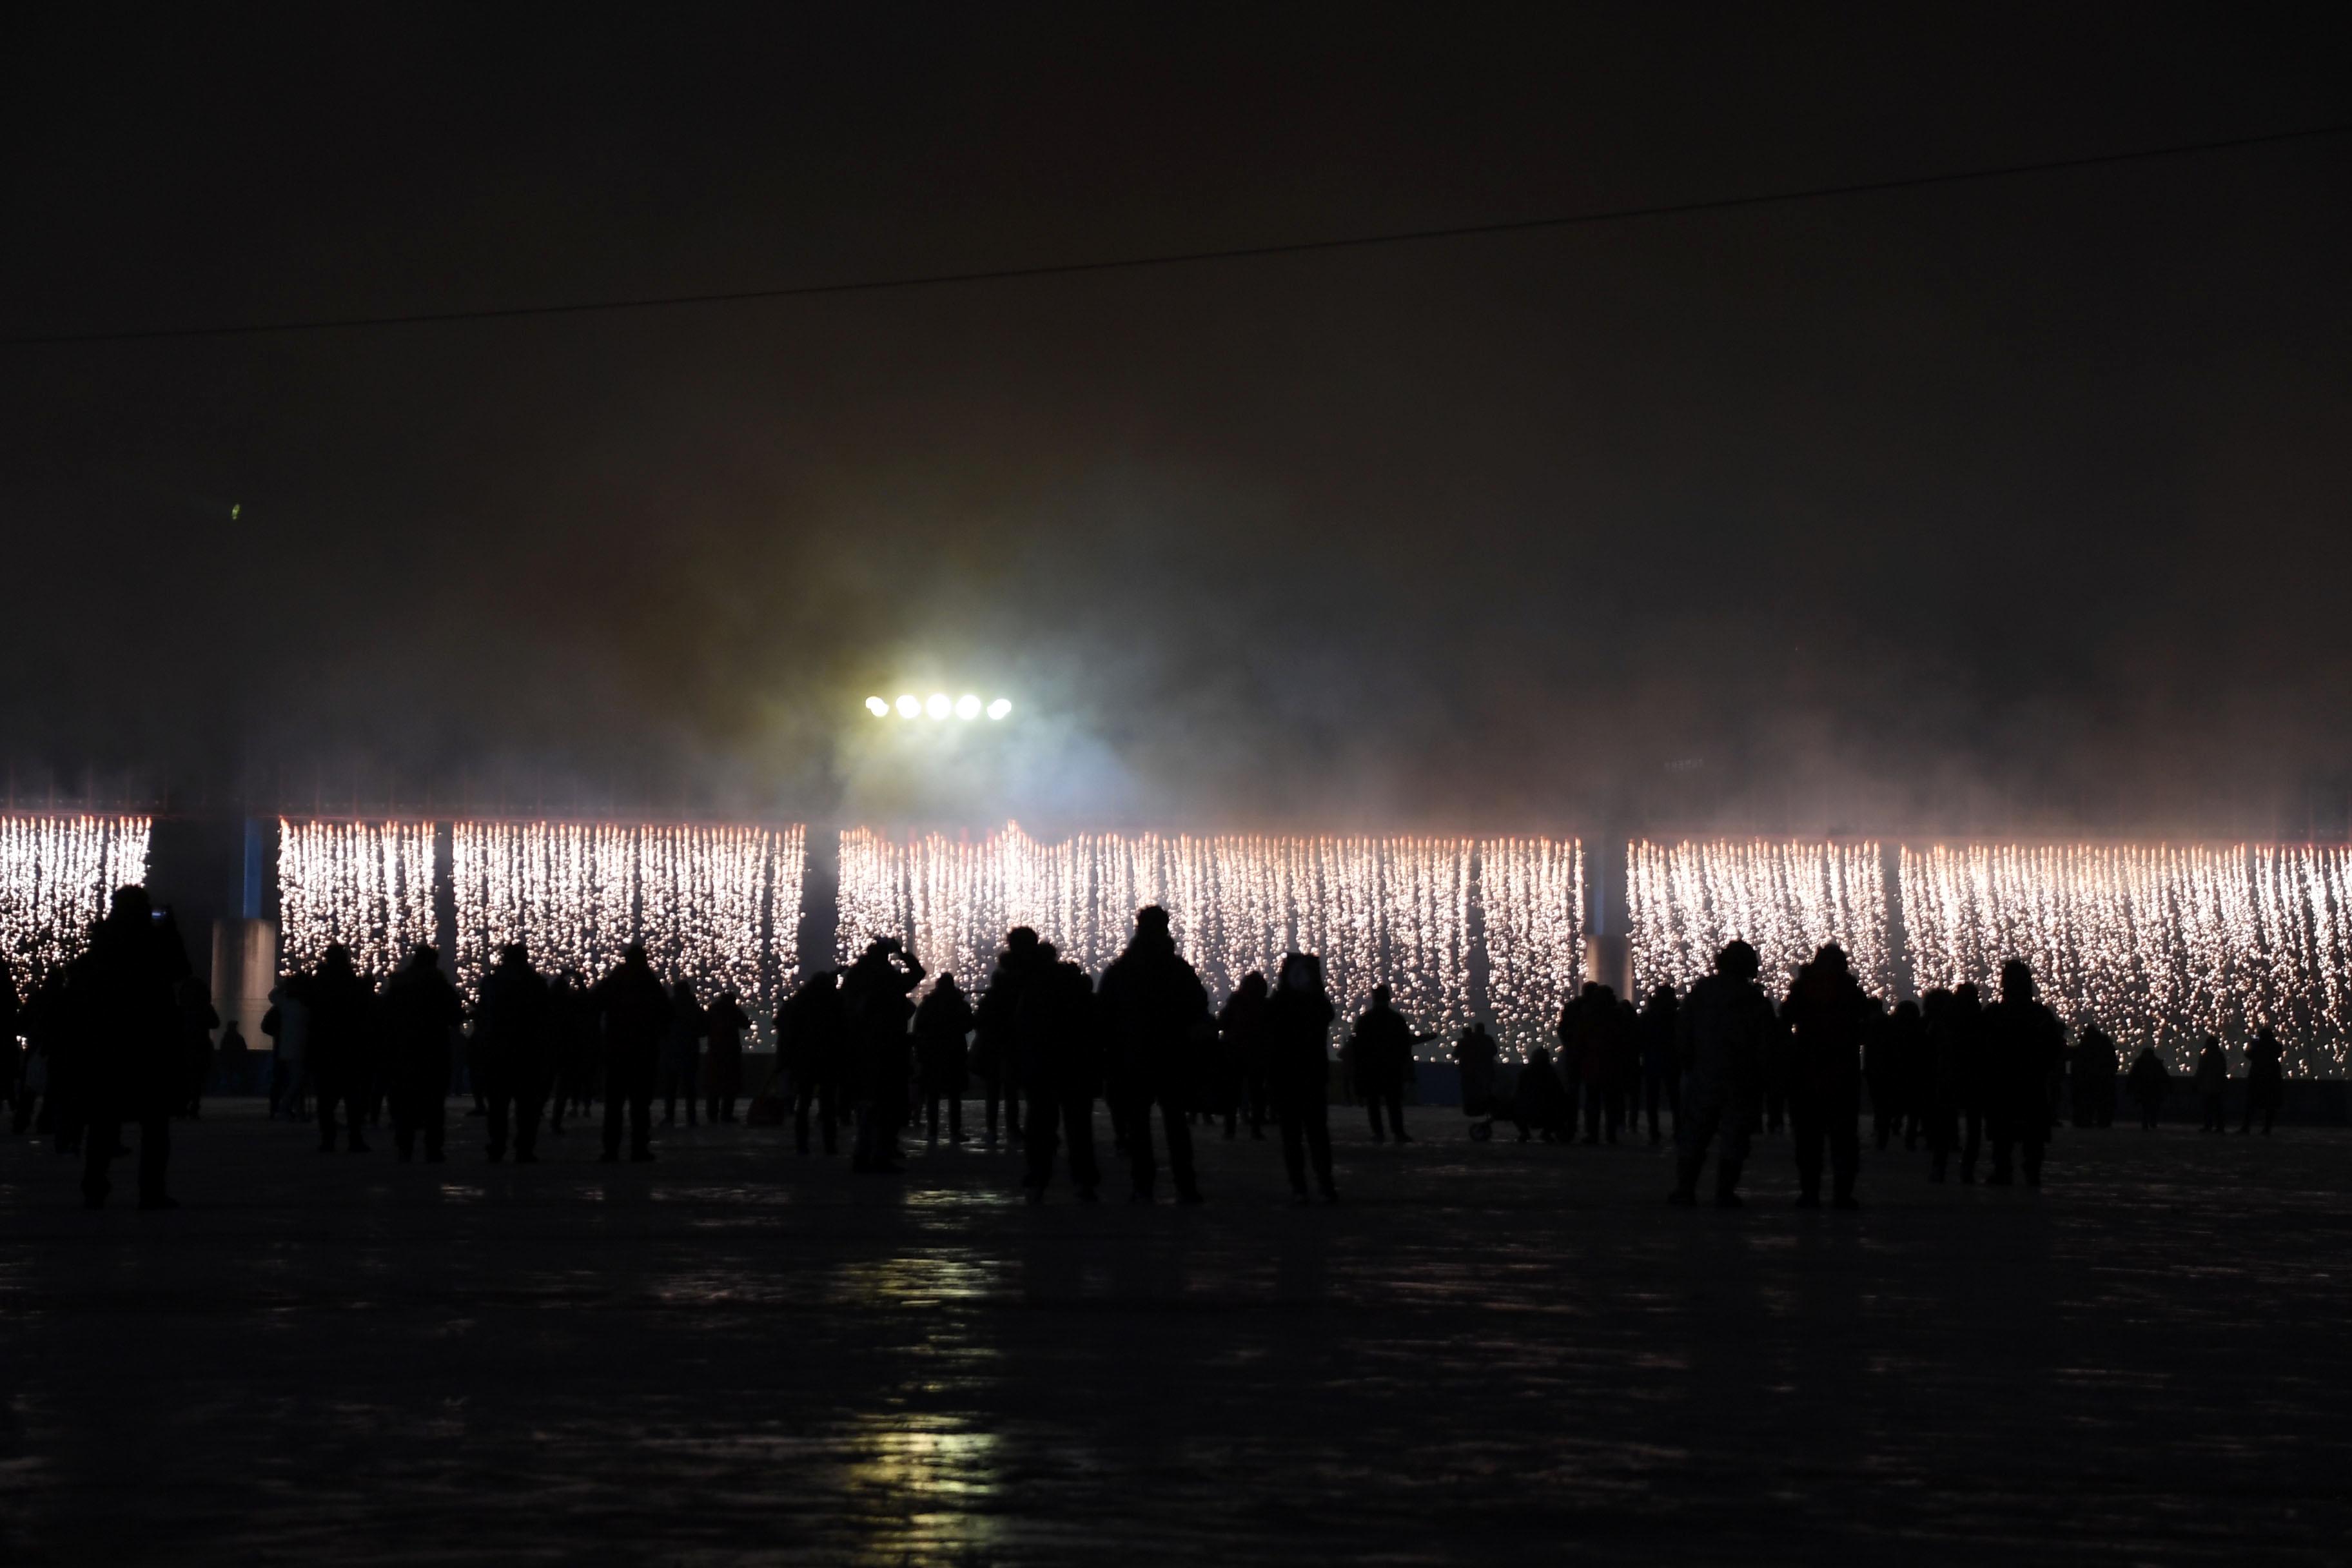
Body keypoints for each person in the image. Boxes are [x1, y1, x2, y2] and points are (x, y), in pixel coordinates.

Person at [78, 887, 189, 1210]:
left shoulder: (104, 941)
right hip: (150, 1043)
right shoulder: (154, 941)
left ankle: (94, 1185)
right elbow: (181, 970)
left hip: (110, 1044)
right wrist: (171, 931)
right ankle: (151, 1190)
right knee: (155, 1125)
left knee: (103, 1122)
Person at [1098, 906, 1210, 1204]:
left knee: (1139, 1125)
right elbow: (1198, 1006)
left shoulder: (1122, 970)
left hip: (1134, 1056)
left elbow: (1105, 1014)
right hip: (1172, 1056)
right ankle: (1185, 1185)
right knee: (1176, 1124)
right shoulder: (1177, 970)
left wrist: (1112, 1052)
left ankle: (1143, 1185)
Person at [1670, 940, 1776, 1208]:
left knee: (1695, 1135)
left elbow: (1683, 1031)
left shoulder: (1703, 992)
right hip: (1741, 1078)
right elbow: (1766, 1043)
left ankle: (1686, 1189)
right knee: (1734, 1137)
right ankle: (1724, 1192)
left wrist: (1688, 1062)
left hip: (1705, 1073)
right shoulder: (1753, 1000)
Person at [1779, 945, 1872, 1209]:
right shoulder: (1849, 989)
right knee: (1843, 1137)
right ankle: (1841, 1194)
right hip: (1841, 1070)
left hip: (1807, 1069)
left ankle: (1811, 1192)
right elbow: (1864, 1023)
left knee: (1809, 1137)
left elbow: (1786, 1018)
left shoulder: (1804, 987)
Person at [1018, 943, 1102, 1201]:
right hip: (1076, 1066)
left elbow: (1023, 1027)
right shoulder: (1076, 991)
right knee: (1079, 1126)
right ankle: (1084, 1181)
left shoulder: (1034, 990)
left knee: (1041, 1126)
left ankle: (1039, 1178)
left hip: (1044, 1066)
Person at [841, 937, 923, 1173]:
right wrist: (901, 952)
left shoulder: (856, 981)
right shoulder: (886, 981)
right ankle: (879, 1155)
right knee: (886, 1105)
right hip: (887, 1049)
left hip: (863, 1049)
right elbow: (917, 973)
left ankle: (865, 1153)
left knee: (868, 1104)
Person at [1981, 959, 2064, 1187]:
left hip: (2003, 1082)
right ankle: (2031, 1171)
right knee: (2032, 1131)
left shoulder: (1995, 1014)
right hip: (2031, 1081)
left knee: (2002, 1131)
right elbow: (2053, 1048)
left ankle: (2004, 1170)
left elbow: (1981, 1047)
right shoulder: (2040, 1015)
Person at [1264, 952, 1338, 1202]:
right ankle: (1324, 1184)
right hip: (1312, 1075)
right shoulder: (1316, 1004)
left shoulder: (1280, 1003)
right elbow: (1327, 1014)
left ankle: (1300, 1187)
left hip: (1287, 1077)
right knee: (1316, 1133)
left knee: (1292, 1135)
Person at [379, 945, 462, 1162]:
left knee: (404, 1101)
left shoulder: (399, 986)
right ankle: (433, 1148)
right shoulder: (439, 985)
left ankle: (405, 1146)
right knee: (434, 1103)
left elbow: (385, 1017)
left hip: (403, 1050)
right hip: (433, 1049)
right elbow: (455, 1015)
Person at [592, 942, 672, 1161]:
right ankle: (639, 1148)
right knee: (640, 1105)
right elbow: (666, 1013)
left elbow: (594, 1004)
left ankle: (611, 1149)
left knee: (614, 1104)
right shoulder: (649, 982)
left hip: (617, 1050)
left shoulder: (615, 981)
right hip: (643, 1051)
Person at [475, 942, 554, 1162]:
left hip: (498, 1050)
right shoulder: (535, 983)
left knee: (498, 1105)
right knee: (527, 1105)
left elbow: (484, 1016)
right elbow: (545, 1017)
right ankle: (524, 1148)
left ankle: (497, 1145)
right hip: (527, 1051)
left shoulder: (492, 983)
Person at [971, 928, 1041, 1149]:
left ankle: (993, 1129)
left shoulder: (1001, 979)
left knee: (995, 1088)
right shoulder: (1033, 974)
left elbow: (985, 1013)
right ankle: (1016, 1128)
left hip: (996, 1039)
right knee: (1017, 1088)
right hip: (1019, 1038)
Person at [305, 944, 377, 1155]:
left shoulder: (320, 983)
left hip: (326, 1049)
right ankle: (355, 1138)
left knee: (326, 1100)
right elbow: (365, 1013)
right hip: (351, 1049)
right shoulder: (352, 983)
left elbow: (312, 1013)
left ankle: (328, 1140)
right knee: (354, 1099)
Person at [778, 970, 843, 1155]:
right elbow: (843, 1028)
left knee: (803, 1103)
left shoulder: (801, 1001)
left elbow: (789, 1030)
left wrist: (787, 1058)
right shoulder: (834, 1001)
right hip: (828, 1059)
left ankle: (802, 1145)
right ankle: (830, 1145)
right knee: (828, 1105)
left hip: (805, 1059)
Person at [1347, 985, 1417, 1143]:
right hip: (1392, 1067)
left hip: (1371, 1068)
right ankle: (1398, 1132)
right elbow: (1404, 1045)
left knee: (1373, 1103)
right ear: (1388, 998)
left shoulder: (1365, 1020)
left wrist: (1358, 1068)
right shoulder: (1396, 1019)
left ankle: (1378, 1133)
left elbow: (1358, 1047)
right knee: (1394, 1103)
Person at [912, 972, 973, 1145]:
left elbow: (919, 1027)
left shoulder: (928, 1003)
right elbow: (969, 1024)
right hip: (954, 1052)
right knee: (955, 1096)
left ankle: (932, 1132)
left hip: (933, 1053)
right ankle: (955, 1131)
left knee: (933, 1095)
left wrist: (920, 1050)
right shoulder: (958, 1003)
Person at [545, 969, 601, 1135]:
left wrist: (562, 977)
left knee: (549, 1084)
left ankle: (541, 1117)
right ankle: (558, 1118)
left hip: (553, 1047)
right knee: (568, 1083)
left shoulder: (551, 1005)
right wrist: (579, 980)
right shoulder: (574, 1004)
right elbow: (586, 1000)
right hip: (571, 1048)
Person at [1219, 972, 1272, 1140]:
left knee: (1232, 1093)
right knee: (1257, 1093)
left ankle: (1230, 1129)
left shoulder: (1236, 1001)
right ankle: (1256, 1128)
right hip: (1257, 1054)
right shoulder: (1265, 1005)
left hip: (1235, 1052)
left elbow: (1223, 1022)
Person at [660, 979, 706, 1128]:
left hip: (672, 1049)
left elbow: (660, 1026)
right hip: (690, 1049)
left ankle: (669, 1117)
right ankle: (691, 1118)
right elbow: (704, 1027)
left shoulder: (669, 1007)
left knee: (671, 1087)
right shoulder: (694, 1008)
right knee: (690, 1087)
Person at [1636, 985, 1679, 1145]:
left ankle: (1654, 1130)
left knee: (1652, 1097)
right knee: (1674, 1096)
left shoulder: (1649, 1016)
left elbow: (1640, 1037)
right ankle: (1678, 1128)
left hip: (1652, 1058)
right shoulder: (1676, 1015)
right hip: (1672, 1059)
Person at [701, 988, 749, 1124]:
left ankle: (712, 1114)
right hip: (731, 1052)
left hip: (715, 1051)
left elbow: (704, 1029)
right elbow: (746, 1024)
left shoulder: (713, 1010)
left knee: (714, 1085)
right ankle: (726, 1115)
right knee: (730, 1086)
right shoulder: (733, 1010)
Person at [174, 976, 219, 1119]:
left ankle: (182, 1106)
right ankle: (194, 1105)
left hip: (183, 1046)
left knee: (183, 1078)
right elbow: (215, 1023)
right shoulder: (204, 1008)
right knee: (197, 1079)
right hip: (200, 1046)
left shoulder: (181, 1008)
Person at [1512, 1044, 1570, 1141]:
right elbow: (1560, 1094)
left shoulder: (1525, 1074)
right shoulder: (1552, 1075)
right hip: (1548, 1113)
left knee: (1514, 1106)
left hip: (1527, 1112)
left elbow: (1517, 1094)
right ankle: (1547, 1132)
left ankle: (1525, 1132)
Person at [2072, 1019, 2119, 1128]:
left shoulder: (2086, 1045)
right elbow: (2112, 1060)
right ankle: (2103, 1121)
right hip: (2102, 1077)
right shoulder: (2104, 1043)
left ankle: (2086, 1121)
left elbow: (2079, 1061)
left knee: (2087, 1101)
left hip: (2088, 1078)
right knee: (2102, 1102)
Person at [1452, 1021, 1500, 1124]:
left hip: (1469, 1071)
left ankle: (1473, 1110)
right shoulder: (1487, 1039)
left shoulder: (1467, 1041)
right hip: (1486, 1070)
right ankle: (1485, 1109)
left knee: (1470, 1091)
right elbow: (1494, 1052)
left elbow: (1456, 1054)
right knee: (1486, 1091)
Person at [2241, 1025, 2284, 1135]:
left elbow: (2248, 1054)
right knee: (2270, 1105)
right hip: (2272, 1079)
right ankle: (2267, 1128)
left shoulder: (2260, 1047)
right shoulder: (2275, 1047)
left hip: (2258, 1078)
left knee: (2251, 1104)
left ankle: (2246, 1127)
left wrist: (2254, 1044)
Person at [2193, 1034, 2230, 1133]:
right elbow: (2223, 1069)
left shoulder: (2206, 1056)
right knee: (2217, 1106)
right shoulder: (2220, 1055)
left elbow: (2201, 1070)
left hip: (2208, 1085)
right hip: (2217, 1085)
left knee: (2208, 1106)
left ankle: (2209, 1125)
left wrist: (2197, 1081)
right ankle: (2219, 1126)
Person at [2126, 1044, 2169, 1129]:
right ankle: (2152, 1122)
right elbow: (2164, 1076)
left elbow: (2133, 1076)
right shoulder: (2156, 1063)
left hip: (2144, 1089)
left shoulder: (2139, 1063)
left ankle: (2146, 1122)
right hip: (2153, 1090)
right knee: (2153, 1107)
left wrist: (2130, 1088)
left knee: (2146, 1107)